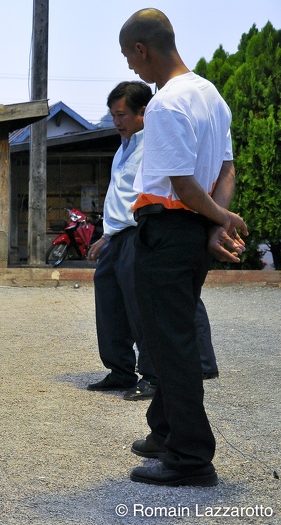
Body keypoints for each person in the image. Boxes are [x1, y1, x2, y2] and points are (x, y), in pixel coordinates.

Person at [119, 9, 247, 487]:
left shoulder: (166, 103)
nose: (132, 71)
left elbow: (183, 184)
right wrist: (215, 225)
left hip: (169, 231)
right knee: (167, 334)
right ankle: (164, 431)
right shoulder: (211, 95)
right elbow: (226, 171)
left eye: (130, 60)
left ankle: (191, 458)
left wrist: (219, 219)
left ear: (141, 50)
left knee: (169, 345)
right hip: (190, 234)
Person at [86, 81, 219, 402]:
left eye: (122, 115)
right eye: (113, 115)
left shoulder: (155, 143)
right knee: (110, 306)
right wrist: (106, 235)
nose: (116, 122)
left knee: (145, 307)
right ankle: (119, 370)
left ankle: (154, 375)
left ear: (143, 113)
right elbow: (119, 193)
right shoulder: (123, 146)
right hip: (115, 237)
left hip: (141, 232)